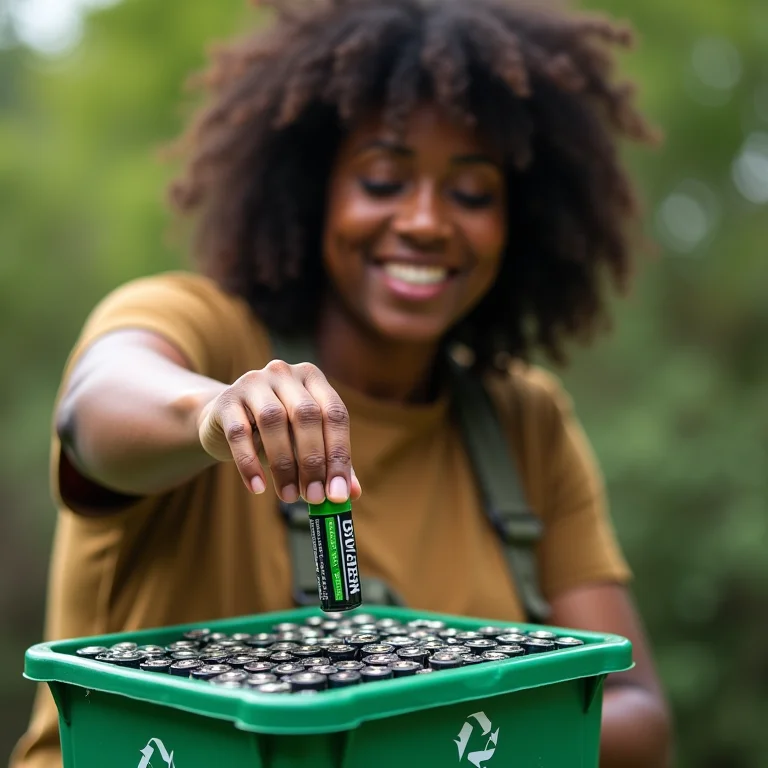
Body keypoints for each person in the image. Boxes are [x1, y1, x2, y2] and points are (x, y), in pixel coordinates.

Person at [11, 0, 673, 765]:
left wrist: (412, 734)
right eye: (384, 178)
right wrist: (211, 411)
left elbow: (634, 715)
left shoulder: (524, 418)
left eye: (472, 192)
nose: (426, 220)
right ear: (311, 188)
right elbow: (94, 412)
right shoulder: (198, 325)